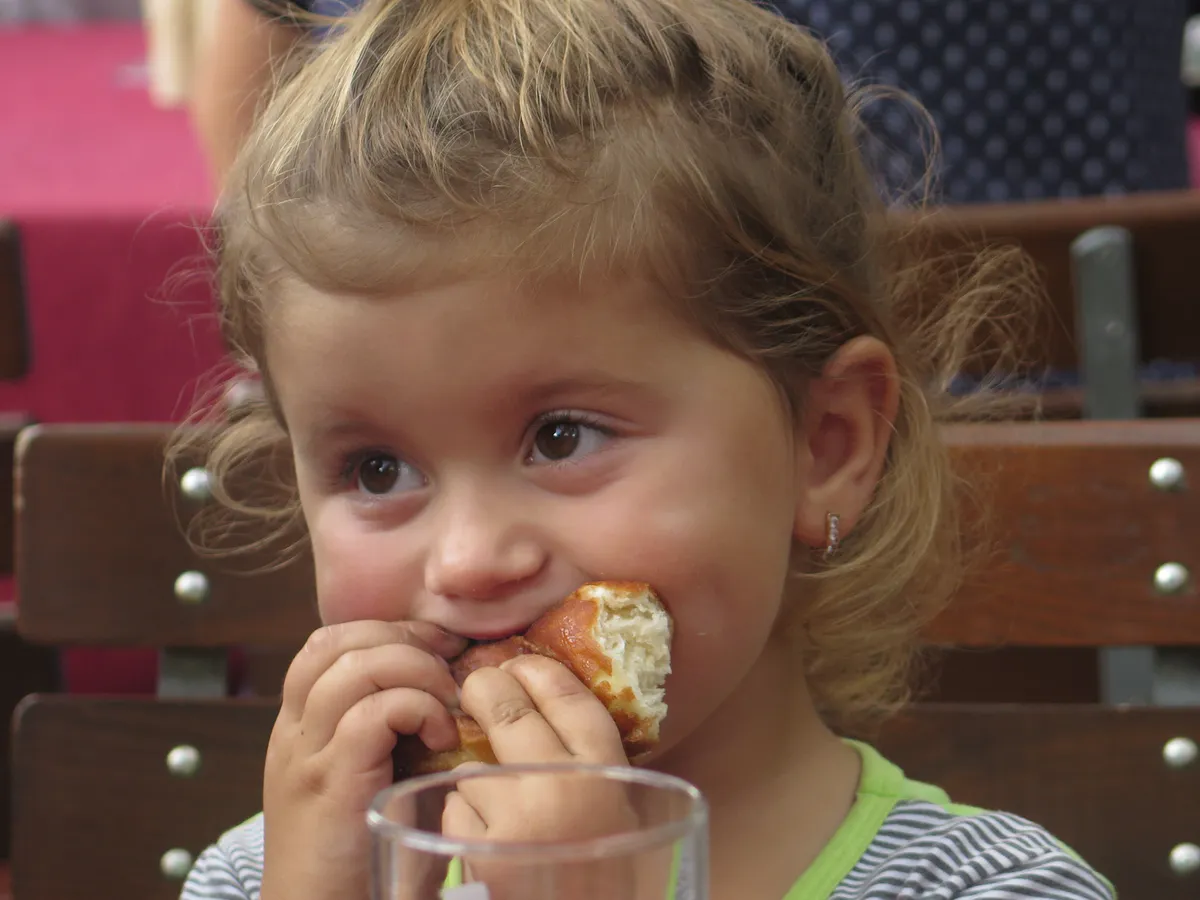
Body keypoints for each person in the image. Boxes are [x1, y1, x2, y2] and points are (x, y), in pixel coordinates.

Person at [177, 0, 1113, 898]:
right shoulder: (262, 877)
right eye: (376, 470)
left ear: (825, 446)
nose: (466, 560)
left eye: (560, 437)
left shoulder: (996, 888)